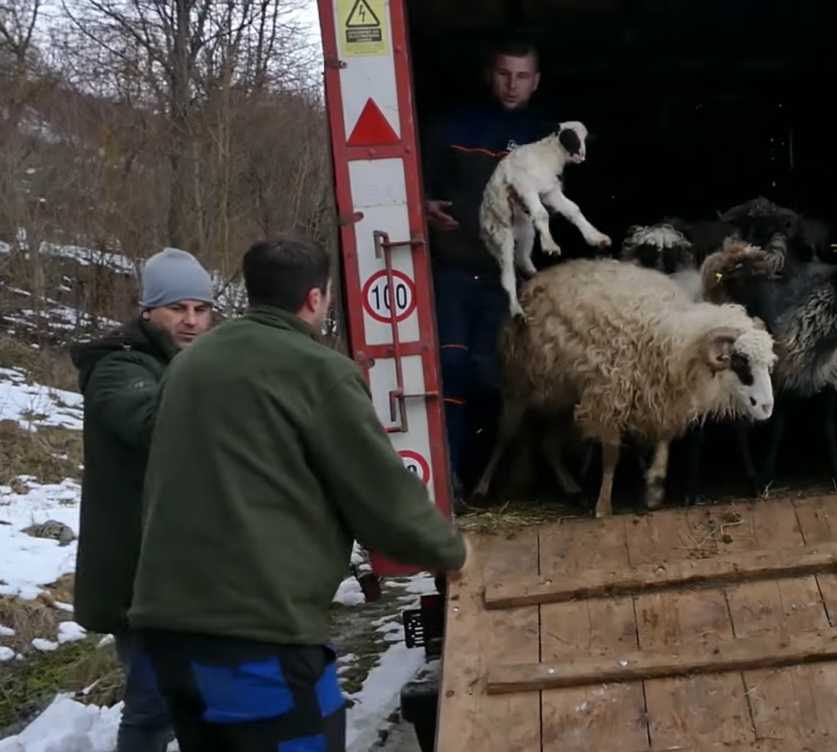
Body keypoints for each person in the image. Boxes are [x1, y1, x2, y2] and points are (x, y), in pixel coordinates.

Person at [127, 237, 468, 751]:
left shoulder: (190, 364)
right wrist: (451, 551)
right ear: (316, 298)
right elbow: (383, 500)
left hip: (167, 632)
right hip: (253, 632)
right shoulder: (318, 371)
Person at [69, 246, 216, 752]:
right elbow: (155, 425)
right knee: (154, 708)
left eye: (201, 309)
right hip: (136, 575)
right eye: (178, 309)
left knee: (198, 701)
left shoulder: (183, 362)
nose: (192, 322)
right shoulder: (117, 366)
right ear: (149, 310)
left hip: (181, 571)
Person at [420, 35, 556, 508]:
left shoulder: (549, 137)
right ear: (489, 74)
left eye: (522, 76)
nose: (511, 85)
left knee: (496, 375)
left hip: (510, 280)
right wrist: (423, 206)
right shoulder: (452, 126)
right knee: (450, 368)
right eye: (503, 73)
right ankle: (450, 481)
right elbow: (416, 184)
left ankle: (502, 482)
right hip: (455, 270)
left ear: (536, 82)